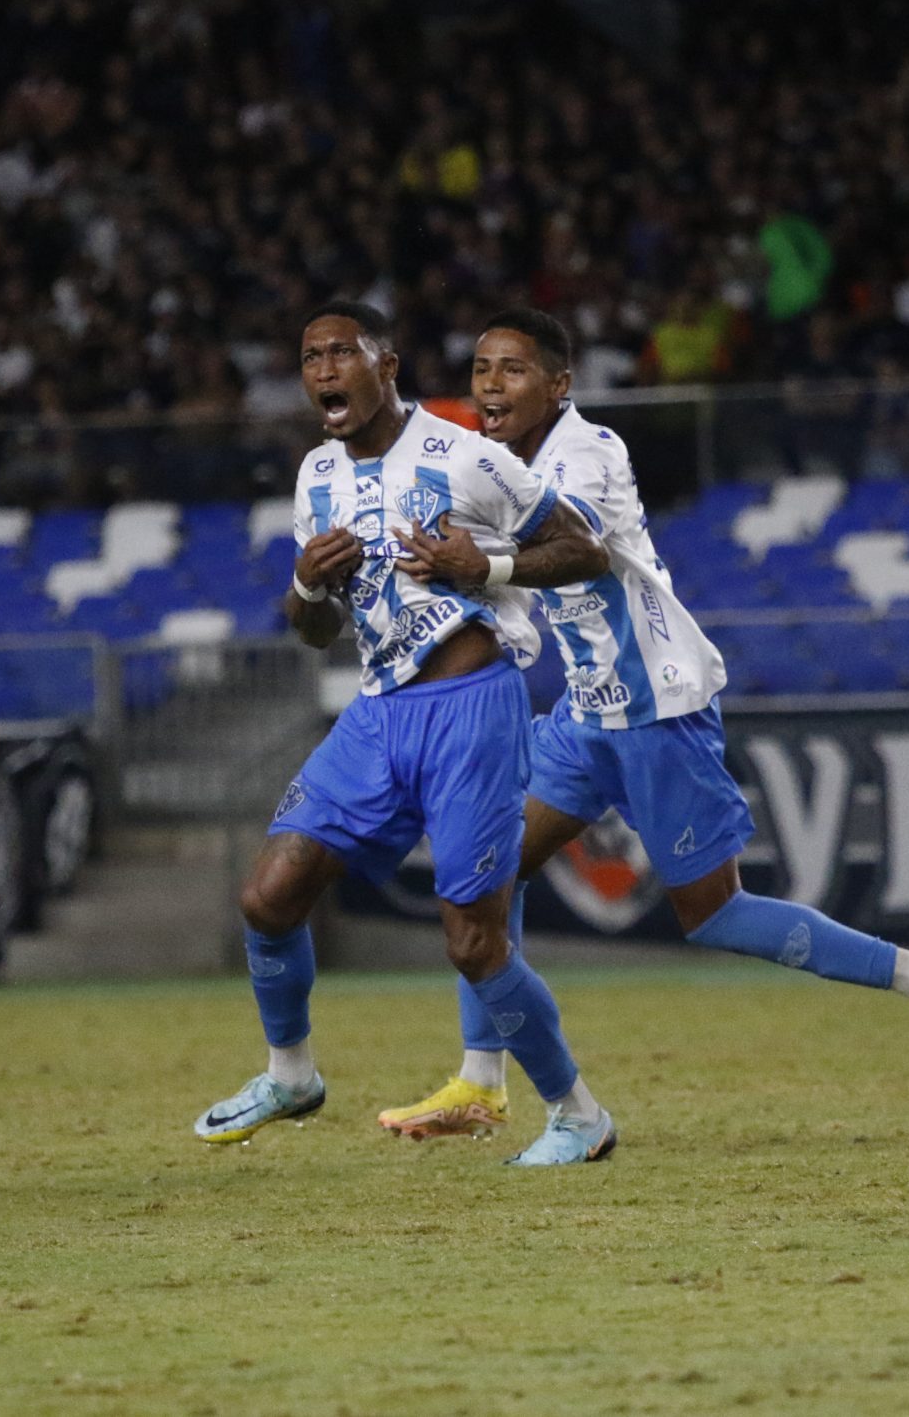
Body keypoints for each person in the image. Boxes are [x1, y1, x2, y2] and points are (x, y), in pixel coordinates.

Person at [379, 311, 909, 1140]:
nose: (490, 385)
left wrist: (479, 562)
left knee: (716, 914)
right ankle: (481, 1082)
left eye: (513, 370)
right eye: (481, 368)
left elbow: (578, 549)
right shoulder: (501, 469)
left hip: (658, 702)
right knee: (488, 871)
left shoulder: (588, 452)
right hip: (589, 708)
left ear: (559, 385)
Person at [193, 301, 624, 1167]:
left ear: (386, 365)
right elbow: (310, 629)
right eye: (310, 355)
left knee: (473, 941)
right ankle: (291, 1073)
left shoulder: (465, 455)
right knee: (269, 896)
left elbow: (585, 551)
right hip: (378, 710)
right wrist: (310, 589)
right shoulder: (315, 474)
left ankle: (579, 1113)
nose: (321, 369)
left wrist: (488, 565)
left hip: (472, 708)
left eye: (340, 351)